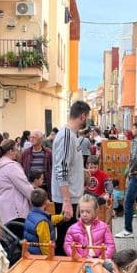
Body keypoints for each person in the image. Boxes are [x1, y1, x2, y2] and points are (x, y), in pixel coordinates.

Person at [52, 102, 90, 253]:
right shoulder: (67, 135)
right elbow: (62, 167)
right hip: (68, 199)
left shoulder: (71, 135)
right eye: (87, 117)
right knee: (65, 242)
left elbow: (68, 163)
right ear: (82, 116)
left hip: (71, 197)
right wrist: (66, 201)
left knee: (69, 240)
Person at [0, 139, 33, 224]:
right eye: (16, 149)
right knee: (16, 235)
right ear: (10, 151)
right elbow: (25, 187)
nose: (17, 152)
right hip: (13, 210)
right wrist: (36, 199)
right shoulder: (12, 167)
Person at [64, 194, 115, 259]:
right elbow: (67, 245)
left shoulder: (104, 227)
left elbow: (110, 245)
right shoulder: (72, 229)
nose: (84, 214)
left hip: (99, 260)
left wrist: (103, 257)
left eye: (88, 212)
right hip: (80, 260)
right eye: (82, 212)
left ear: (95, 211)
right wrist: (75, 256)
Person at [24, 188, 63, 255]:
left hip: (30, 252)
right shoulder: (42, 223)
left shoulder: (31, 214)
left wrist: (62, 217)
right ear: (46, 202)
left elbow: (49, 219)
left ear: (31, 202)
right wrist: (50, 258)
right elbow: (45, 245)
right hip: (40, 256)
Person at [20, 130, 52, 197]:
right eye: (31, 137)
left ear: (41, 139)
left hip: (45, 186)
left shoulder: (48, 152)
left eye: (34, 137)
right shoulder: (25, 153)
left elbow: (52, 168)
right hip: (30, 187)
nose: (31, 139)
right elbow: (21, 168)